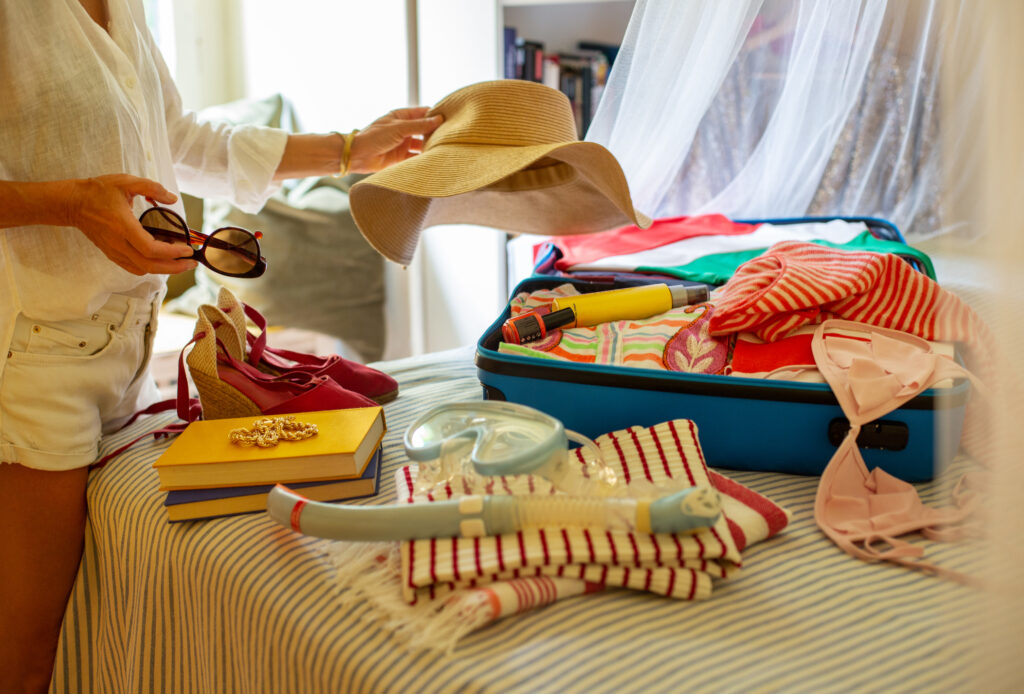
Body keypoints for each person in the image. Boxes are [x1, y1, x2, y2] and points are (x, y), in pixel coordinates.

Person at [0, 1, 443, 691]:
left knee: (83, 633)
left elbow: (177, 138)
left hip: (129, 352)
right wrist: (73, 203)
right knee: (26, 656)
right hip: (33, 357)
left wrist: (351, 149)